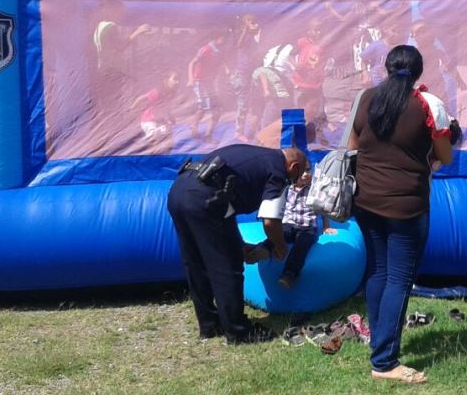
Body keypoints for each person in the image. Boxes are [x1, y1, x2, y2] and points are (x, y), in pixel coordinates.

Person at [347, 45, 452, 385]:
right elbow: (445, 156)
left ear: (387, 67)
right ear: (418, 71)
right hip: (407, 205)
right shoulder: (428, 104)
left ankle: (378, 345)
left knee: (378, 271)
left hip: (366, 200)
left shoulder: (366, 99)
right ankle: (384, 362)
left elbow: (352, 148)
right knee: (399, 279)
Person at [166, 144, 308, 344]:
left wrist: (238, 242)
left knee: (195, 263)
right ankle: (238, 332)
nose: (291, 183)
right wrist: (280, 245)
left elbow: (226, 201)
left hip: (178, 192)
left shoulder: (258, 155)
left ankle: (209, 324)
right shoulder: (277, 170)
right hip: (204, 200)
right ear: (294, 167)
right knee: (227, 268)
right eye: (295, 177)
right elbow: (270, 221)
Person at [247, 167, 338, 289]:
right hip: (288, 224)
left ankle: (289, 274)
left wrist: (326, 226)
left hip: (307, 228)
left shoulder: (313, 190)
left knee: (301, 247)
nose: (306, 174)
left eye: (308, 171)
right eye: (302, 171)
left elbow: (322, 208)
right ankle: (262, 249)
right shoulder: (286, 189)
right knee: (278, 235)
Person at [187, 30, 229, 143]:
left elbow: (222, 59)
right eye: (224, 38)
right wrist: (190, 79)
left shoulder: (219, 50)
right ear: (218, 38)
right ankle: (194, 126)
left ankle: (208, 135)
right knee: (203, 107)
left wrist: (226, 68)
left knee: (217, 110)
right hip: (199, 82)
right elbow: (192, 63)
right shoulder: (206, 49)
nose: (225, 41)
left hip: (209, 82)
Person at [130, 70, 180, 154]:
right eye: (175, 79)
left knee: (169, 139)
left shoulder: (172, 94)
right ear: (165, 81)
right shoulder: (157, 92)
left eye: (178, 79)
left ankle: (166, 155)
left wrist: (170, 117)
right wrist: (132, 107)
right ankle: (153, 155)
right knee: (154, 141)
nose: (177, 82)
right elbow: (141, 98)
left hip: (160, 120)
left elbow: (167, 107)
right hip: (149, 120)